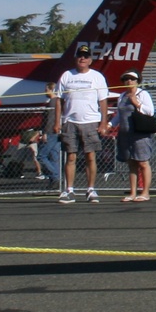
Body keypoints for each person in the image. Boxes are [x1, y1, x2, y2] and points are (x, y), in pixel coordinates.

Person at [53, 46, 110, 203]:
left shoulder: (97, 77)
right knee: (71, 156)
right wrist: (57, 121)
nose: (82, 59)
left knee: (90, 156)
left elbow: (103, 100)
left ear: (90, 60)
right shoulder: (66, 75)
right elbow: (59, 100)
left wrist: (103, 122)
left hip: (90, 121)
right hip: (70, 121)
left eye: (85, 56)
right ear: (76, 58)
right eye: (80, 56)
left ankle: (91, 189)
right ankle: (69, 190)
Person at [109, 70, 156, 203]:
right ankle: (132, 192)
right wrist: (109, 124)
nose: (129, 81)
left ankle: (145, 192)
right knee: (131, 163)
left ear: (137, 81)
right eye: (126, 79)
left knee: (143, 162)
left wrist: (137, 104)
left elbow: (151, 111)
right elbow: (119, 115)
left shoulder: (142, 94)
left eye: (132, 79)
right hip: (125, 133)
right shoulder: (122, 96)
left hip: (140, 133)